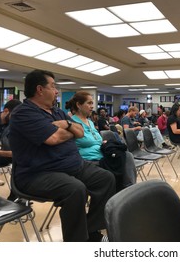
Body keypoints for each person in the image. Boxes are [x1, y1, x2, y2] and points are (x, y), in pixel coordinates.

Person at [9, 69, 116, 242]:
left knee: (106, 178)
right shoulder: (23, 113)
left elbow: (80, 131)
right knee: (75, 189)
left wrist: (66, 124)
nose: (57, 90)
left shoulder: (57, 112)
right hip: (37, 173)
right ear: (40, 89)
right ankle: (77, 243)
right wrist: (69, 130)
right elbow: (54, 138)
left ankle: (92, 231)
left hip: (72, 166)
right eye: (53, 86)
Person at [66, 91, 132, 192]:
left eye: (92, 103)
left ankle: (127, 189)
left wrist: (104, 143)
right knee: (117, 167)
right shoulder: (72, 123)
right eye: (89, 103)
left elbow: (97, 140)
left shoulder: (90, 122)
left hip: (102, 155)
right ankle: (123, 192)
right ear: (78, 105)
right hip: (88, 160)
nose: (92, 106)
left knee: (127, 155)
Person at [0, 99, 22, 191]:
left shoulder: (13, 124)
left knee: (22, 158)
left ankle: (15, 195)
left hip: (3, 153)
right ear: (6, 111)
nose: (16, 117)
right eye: (14, 114)